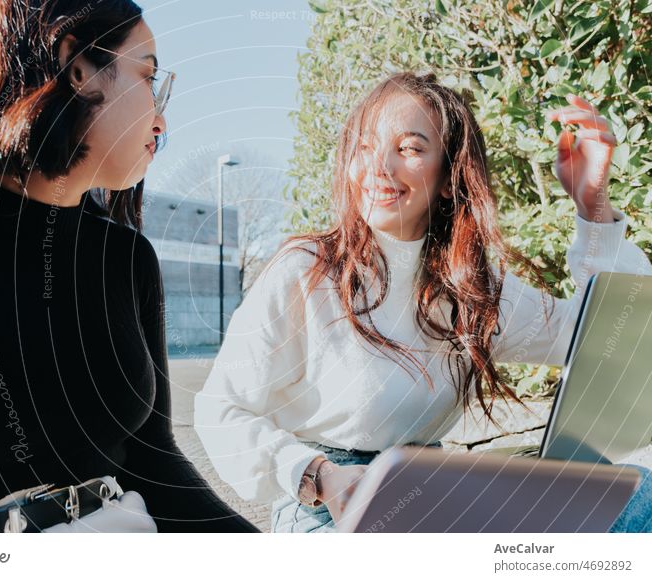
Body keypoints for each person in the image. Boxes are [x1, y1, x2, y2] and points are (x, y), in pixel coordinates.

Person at [0, 0, 257, 533]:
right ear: (78, 66)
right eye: (148, 78)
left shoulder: (126, 257)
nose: (161, 119)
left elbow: (154, 465)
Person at [194, 72, 652, 533]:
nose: (378, 167)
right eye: (366, 147)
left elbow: (615, 334)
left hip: (429, 495)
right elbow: (220, 408)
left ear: (450, 178)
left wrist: (591, 202)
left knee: (640, 493)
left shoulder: (477, 291)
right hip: (324, 509)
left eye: (409, 148)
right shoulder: (306, 270)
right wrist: (318, 475)